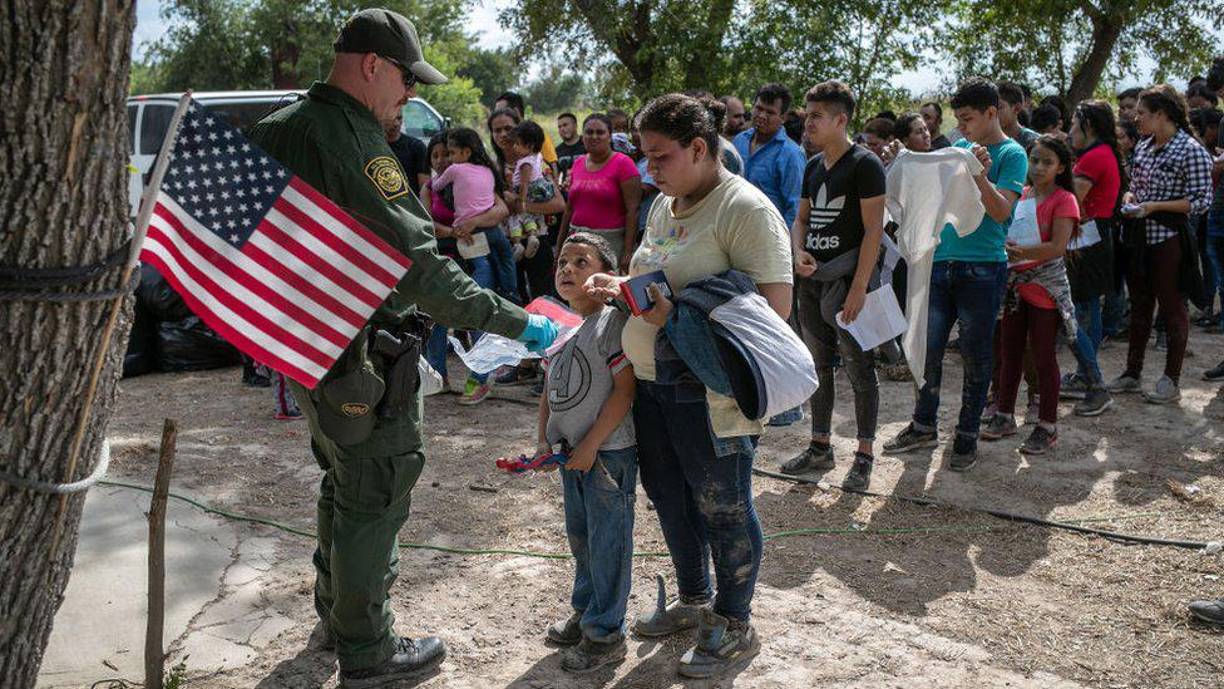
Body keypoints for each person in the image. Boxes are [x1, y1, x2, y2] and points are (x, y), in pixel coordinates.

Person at [245, 9, 558, 684]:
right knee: (376, 487)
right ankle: (369, 649)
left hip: (309, 346)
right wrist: (518, 323)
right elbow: (419, 270)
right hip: (363, 353)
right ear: (371, 65)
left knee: (343, 479)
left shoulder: (280, 126)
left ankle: (337, 617)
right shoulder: (352, 140)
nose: (410, 95)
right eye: (407, 80)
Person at [584, 93, 793, 679]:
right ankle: (696, 598)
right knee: (671, 498)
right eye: (644, 156)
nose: (649, 169)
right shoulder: (664, 204)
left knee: (722, 505)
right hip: (653, 384)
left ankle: (735, 621)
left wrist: (674, 316)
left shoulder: (746, 209)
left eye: (661, 156)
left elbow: (774, 311)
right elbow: (657, 277)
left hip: (709, 393)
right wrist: (619, 285)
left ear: (699, 148)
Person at [883, 77, 1027, 472]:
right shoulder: (959, 149)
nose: (960, 128)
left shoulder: (1012, 154)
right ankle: (923, 424)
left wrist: (979, 174)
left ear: (991, 113)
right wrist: (901, 160)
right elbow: (925, 184)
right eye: (958, 120)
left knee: (976, 354)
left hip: (983, 266)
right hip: (939, 262)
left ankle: (966, 433)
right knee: (927, 348)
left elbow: (1001, 212)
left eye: (967, 119)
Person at [536, 232, 638, 674]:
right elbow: (548, 390)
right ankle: (586, 610)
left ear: (606, 276)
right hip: (570, 455)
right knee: (581, 538)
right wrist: (543, 440)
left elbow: (625, 391)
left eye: (582, 263)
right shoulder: (561, 327)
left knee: (608, 541)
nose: (568, 270)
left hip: (607, 454)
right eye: (563, 262)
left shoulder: (611, 323)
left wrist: (592, 445)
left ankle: (605, 634)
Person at [781, 80, 884, 490]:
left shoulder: (865, 164)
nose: (808, 123)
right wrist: (798, 252)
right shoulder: (812, 166)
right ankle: (820, 446)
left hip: (847, 282)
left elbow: (874, 230)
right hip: (812, 281)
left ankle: (864, 455)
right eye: (807, 115)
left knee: (860, 368)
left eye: (817, 116)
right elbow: (801, 219)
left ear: (841, 120)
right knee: (818, 365)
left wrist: (859, 288)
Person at [1107, 85, 1214, 404]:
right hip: (1139, 237)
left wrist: (1155, 207)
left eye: (1142, 113)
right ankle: (1132, 373)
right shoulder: (1144, 145)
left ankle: (1171, 379)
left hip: (1169, 239)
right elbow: (1135, 185)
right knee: (1140, 304)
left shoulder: (1190, 150)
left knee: (1172, 307)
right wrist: (1130, 198)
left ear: (1162, 114)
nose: (1135, 118)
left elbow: (1201, 200)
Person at [981, 135, 1080, 454]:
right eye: (1034, 160)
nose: (1038, 167)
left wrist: (1020, 252)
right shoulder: (1021, 195)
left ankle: (1047, 425)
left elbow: (1057, 247)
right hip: (1014, 286)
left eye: (1047, 162)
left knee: (1042, 356)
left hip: (1045, 287)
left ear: (1061, 167)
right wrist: (1006, 247)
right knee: (1009, 352)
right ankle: (1004, 414)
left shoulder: (1065, 199)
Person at [418, 130, 513, 390]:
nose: (442, 160)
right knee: (437, 320)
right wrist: (453, 232)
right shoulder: (430, 188)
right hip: (442, 259)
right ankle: (438, 378)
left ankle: (479, 381)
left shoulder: (475, 177)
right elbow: (425, 223)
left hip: (474, 257)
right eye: (435, 156)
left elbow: (501, 210)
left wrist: (472, 223)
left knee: (476, 315)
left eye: (447, 154)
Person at [1060, 100, 1124, 416]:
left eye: (1074, 123)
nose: (1070, 130)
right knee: (1088, 309)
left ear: (1089, 125)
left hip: (1088, 238)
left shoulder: (1094, 157)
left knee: (1079, 312)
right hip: (1095, 236)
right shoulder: (1102, 153)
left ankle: (1093, 381)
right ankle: (1086, 374)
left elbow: (1072, 201)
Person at [559, 113, 642, 271]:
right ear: (583, 136)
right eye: (589, 132)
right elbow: (569, 209)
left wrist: (627, 251)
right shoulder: (578, 164)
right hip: (576, 240)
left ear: (609, 136)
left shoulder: (624, 164)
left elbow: (633, 210)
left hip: (611, 243)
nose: (594, 137)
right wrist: (559, 246)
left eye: (600, 132)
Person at [733, 83, 807, 228]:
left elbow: (795, 210)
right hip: (731, 230)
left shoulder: (791, 154)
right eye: (759, 108)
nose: (762, 116)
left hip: (768, 235)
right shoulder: (739, 141)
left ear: (783, 117)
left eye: (770, 112)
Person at [494, 90, 559, 168]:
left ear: (515, 111)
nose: (497, 116)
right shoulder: (501, 139)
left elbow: (553, 167)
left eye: (502, 111)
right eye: (496, 112)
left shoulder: (534, 133)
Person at [384, 111, 430, 196]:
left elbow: (425, 187)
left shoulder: (416, 146)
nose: (396, 123)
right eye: (391, 118)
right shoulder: (371, 147)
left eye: (399, 118)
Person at [998, 81, 1039, 150]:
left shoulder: (1033, 142)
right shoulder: (984, 141)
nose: (992, 112)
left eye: (999, 107)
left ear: (1017, 108)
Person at [555, 112, 586, 183]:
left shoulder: (587, 144)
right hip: (567, 188)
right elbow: (556, 176)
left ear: (575, 125)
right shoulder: (557, 151)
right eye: (559, 127)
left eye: (565, 125)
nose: (562, 129)